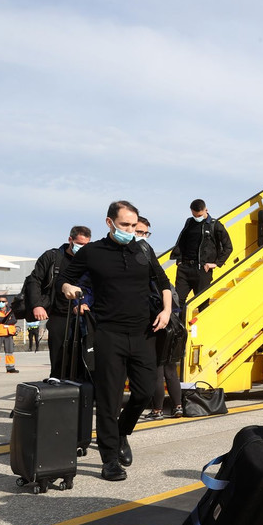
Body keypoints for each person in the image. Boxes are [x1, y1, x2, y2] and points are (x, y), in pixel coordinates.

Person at [57, 201, 171, 482]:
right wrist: (70, 289)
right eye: (125, 226)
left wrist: (167, 311)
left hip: (144, 333)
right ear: (110, 223)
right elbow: (64, 279)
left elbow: (164, 281)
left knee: (145, 392)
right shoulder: (93, 252)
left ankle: (122, 432)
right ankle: (109, 460)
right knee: (108, 399)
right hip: (108, 334)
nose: (130, 231)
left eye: (134, 226)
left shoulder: (143, 249)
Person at [26, 226, 92, 378]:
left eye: (86, 245)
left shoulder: (88, 260)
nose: (83, 248)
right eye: (79, 244)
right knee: (59, 356)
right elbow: (34, 280)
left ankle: (82, 389)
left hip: (82, 315)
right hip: (59, 314)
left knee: (83, 356)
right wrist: (37, 305)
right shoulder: (52, 257)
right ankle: (58, 384)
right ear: (70, 240)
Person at [137, 217, 183, 420]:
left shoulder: (141, 259)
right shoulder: (151, 260)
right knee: (170, 368)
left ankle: (157, 410)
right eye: (141, 232)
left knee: (157, 368)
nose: (142, 237)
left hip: (154, 321)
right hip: (171, 322)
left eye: (145, 233)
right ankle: (178, 407)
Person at [170, 199, 232, 304]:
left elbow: (228, 247)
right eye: (195, 215)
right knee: (177, 301)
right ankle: (180, 321)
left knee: (202, 303)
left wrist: (216, 264)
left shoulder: (215, 225)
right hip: (184, 268)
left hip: (203, 270)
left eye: (199, 215)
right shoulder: (189, 222)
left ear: (206, 210)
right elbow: (181, 242)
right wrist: (179, 260)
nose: (197, 218)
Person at [0, 297, 18, 374]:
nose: (1, 302)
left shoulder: (11, 311)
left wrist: (3, 320)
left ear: (6, 302)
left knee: (9, 351)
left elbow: (14, 320)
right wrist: (7, 320)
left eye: (3, 301)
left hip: (8, 334)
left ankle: (10, 367)